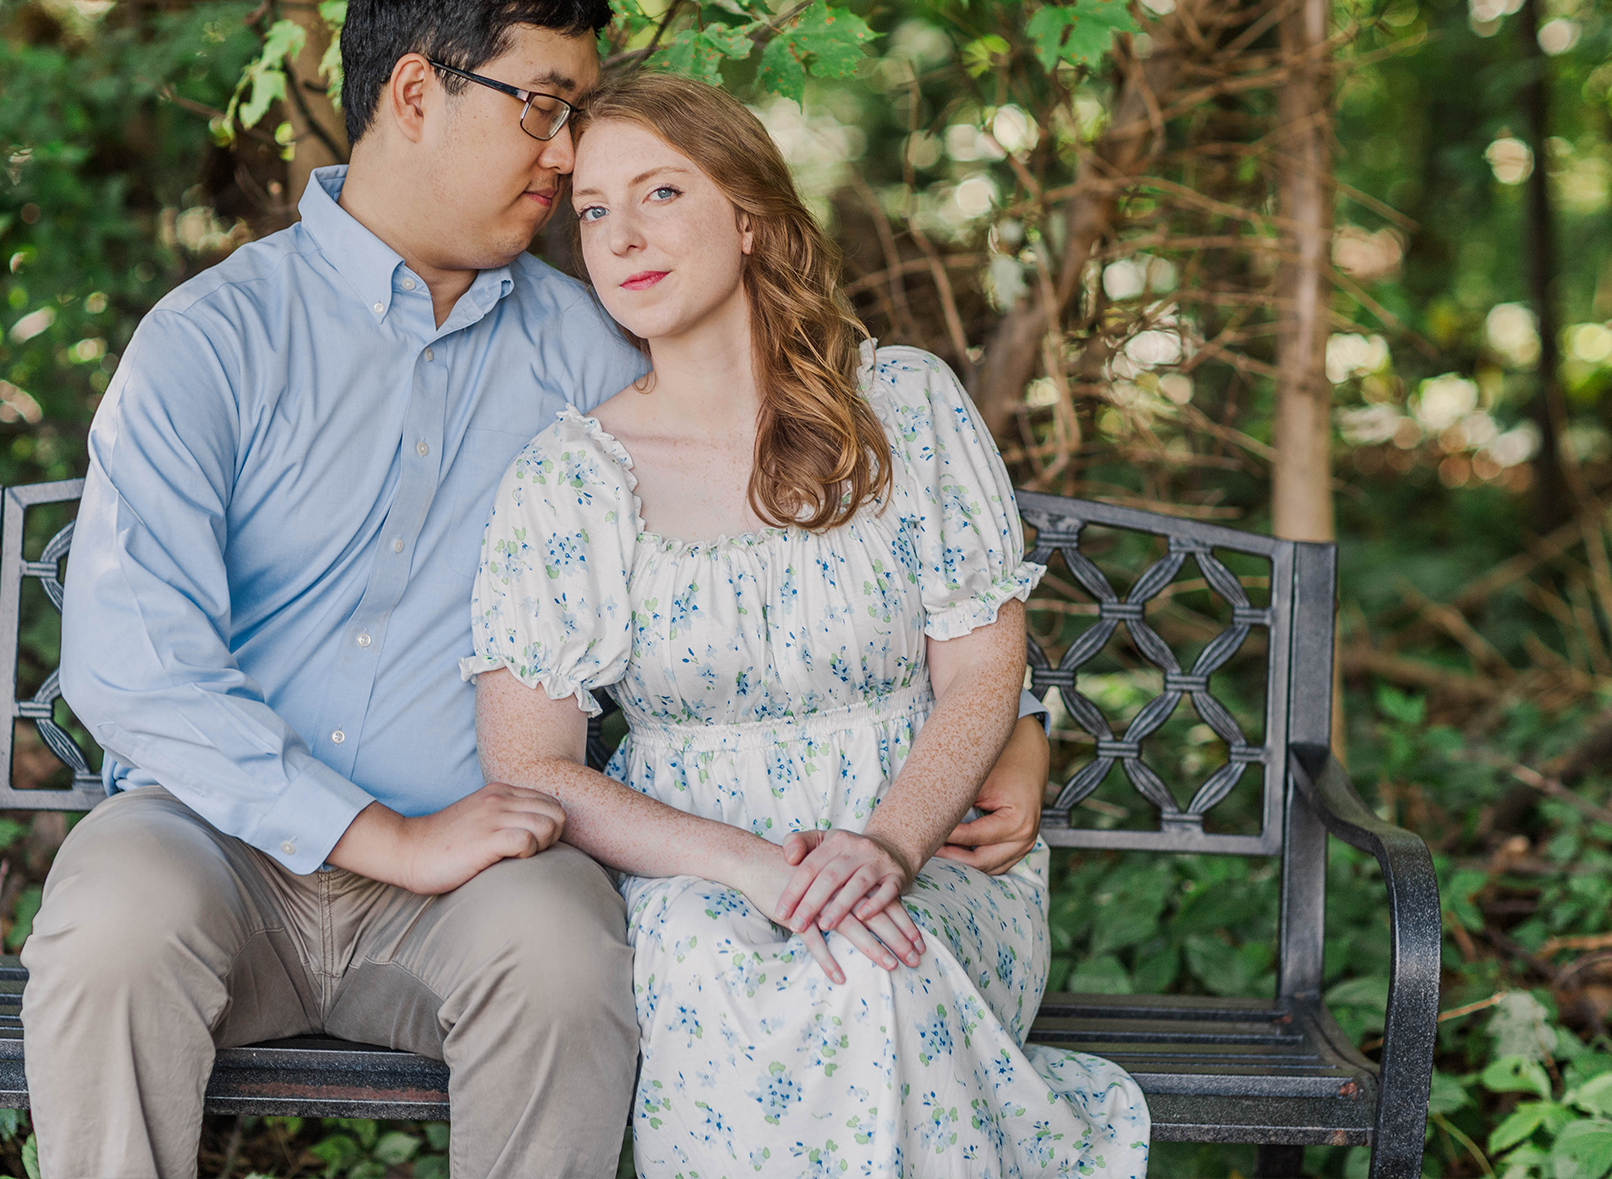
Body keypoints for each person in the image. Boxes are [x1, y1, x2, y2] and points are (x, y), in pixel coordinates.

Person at [21, 0, 1055, 1179]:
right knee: (111, 917)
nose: (569, 162)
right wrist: (382, 838)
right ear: (414, 91)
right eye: (544, 106)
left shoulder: (592, 346)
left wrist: (1009, 729)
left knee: (568, 955)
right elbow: (132, 669)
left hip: (488, 862)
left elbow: (810, 517)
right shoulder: (212, 342)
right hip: (218, 848)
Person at [467, 73, 1150, 1177]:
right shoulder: (571, 477)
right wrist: (754, 869)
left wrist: (885, 846)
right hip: (690, 877)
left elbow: (982, 672)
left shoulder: (906, 406)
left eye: (660, 193)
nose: (622, 235)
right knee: (776, 980)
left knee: (875, 965)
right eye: (591, 210)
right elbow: (531, 766)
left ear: (747, 217)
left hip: (921, 847)